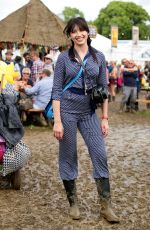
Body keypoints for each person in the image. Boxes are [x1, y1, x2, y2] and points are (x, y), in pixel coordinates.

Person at [51, 17, 119, 223]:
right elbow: (56, 91)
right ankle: (73, 203)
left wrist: (104, 118)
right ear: (69, 35)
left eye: (82, 31)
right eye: (74, 32)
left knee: (100, 154)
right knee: (68, 156)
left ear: (88, 33)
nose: (78, 34)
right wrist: (58, 120)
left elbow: (103, 88)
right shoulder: (63, 58)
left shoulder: (98, 57)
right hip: (68, 112)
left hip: (89, 112)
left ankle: (106, 206)